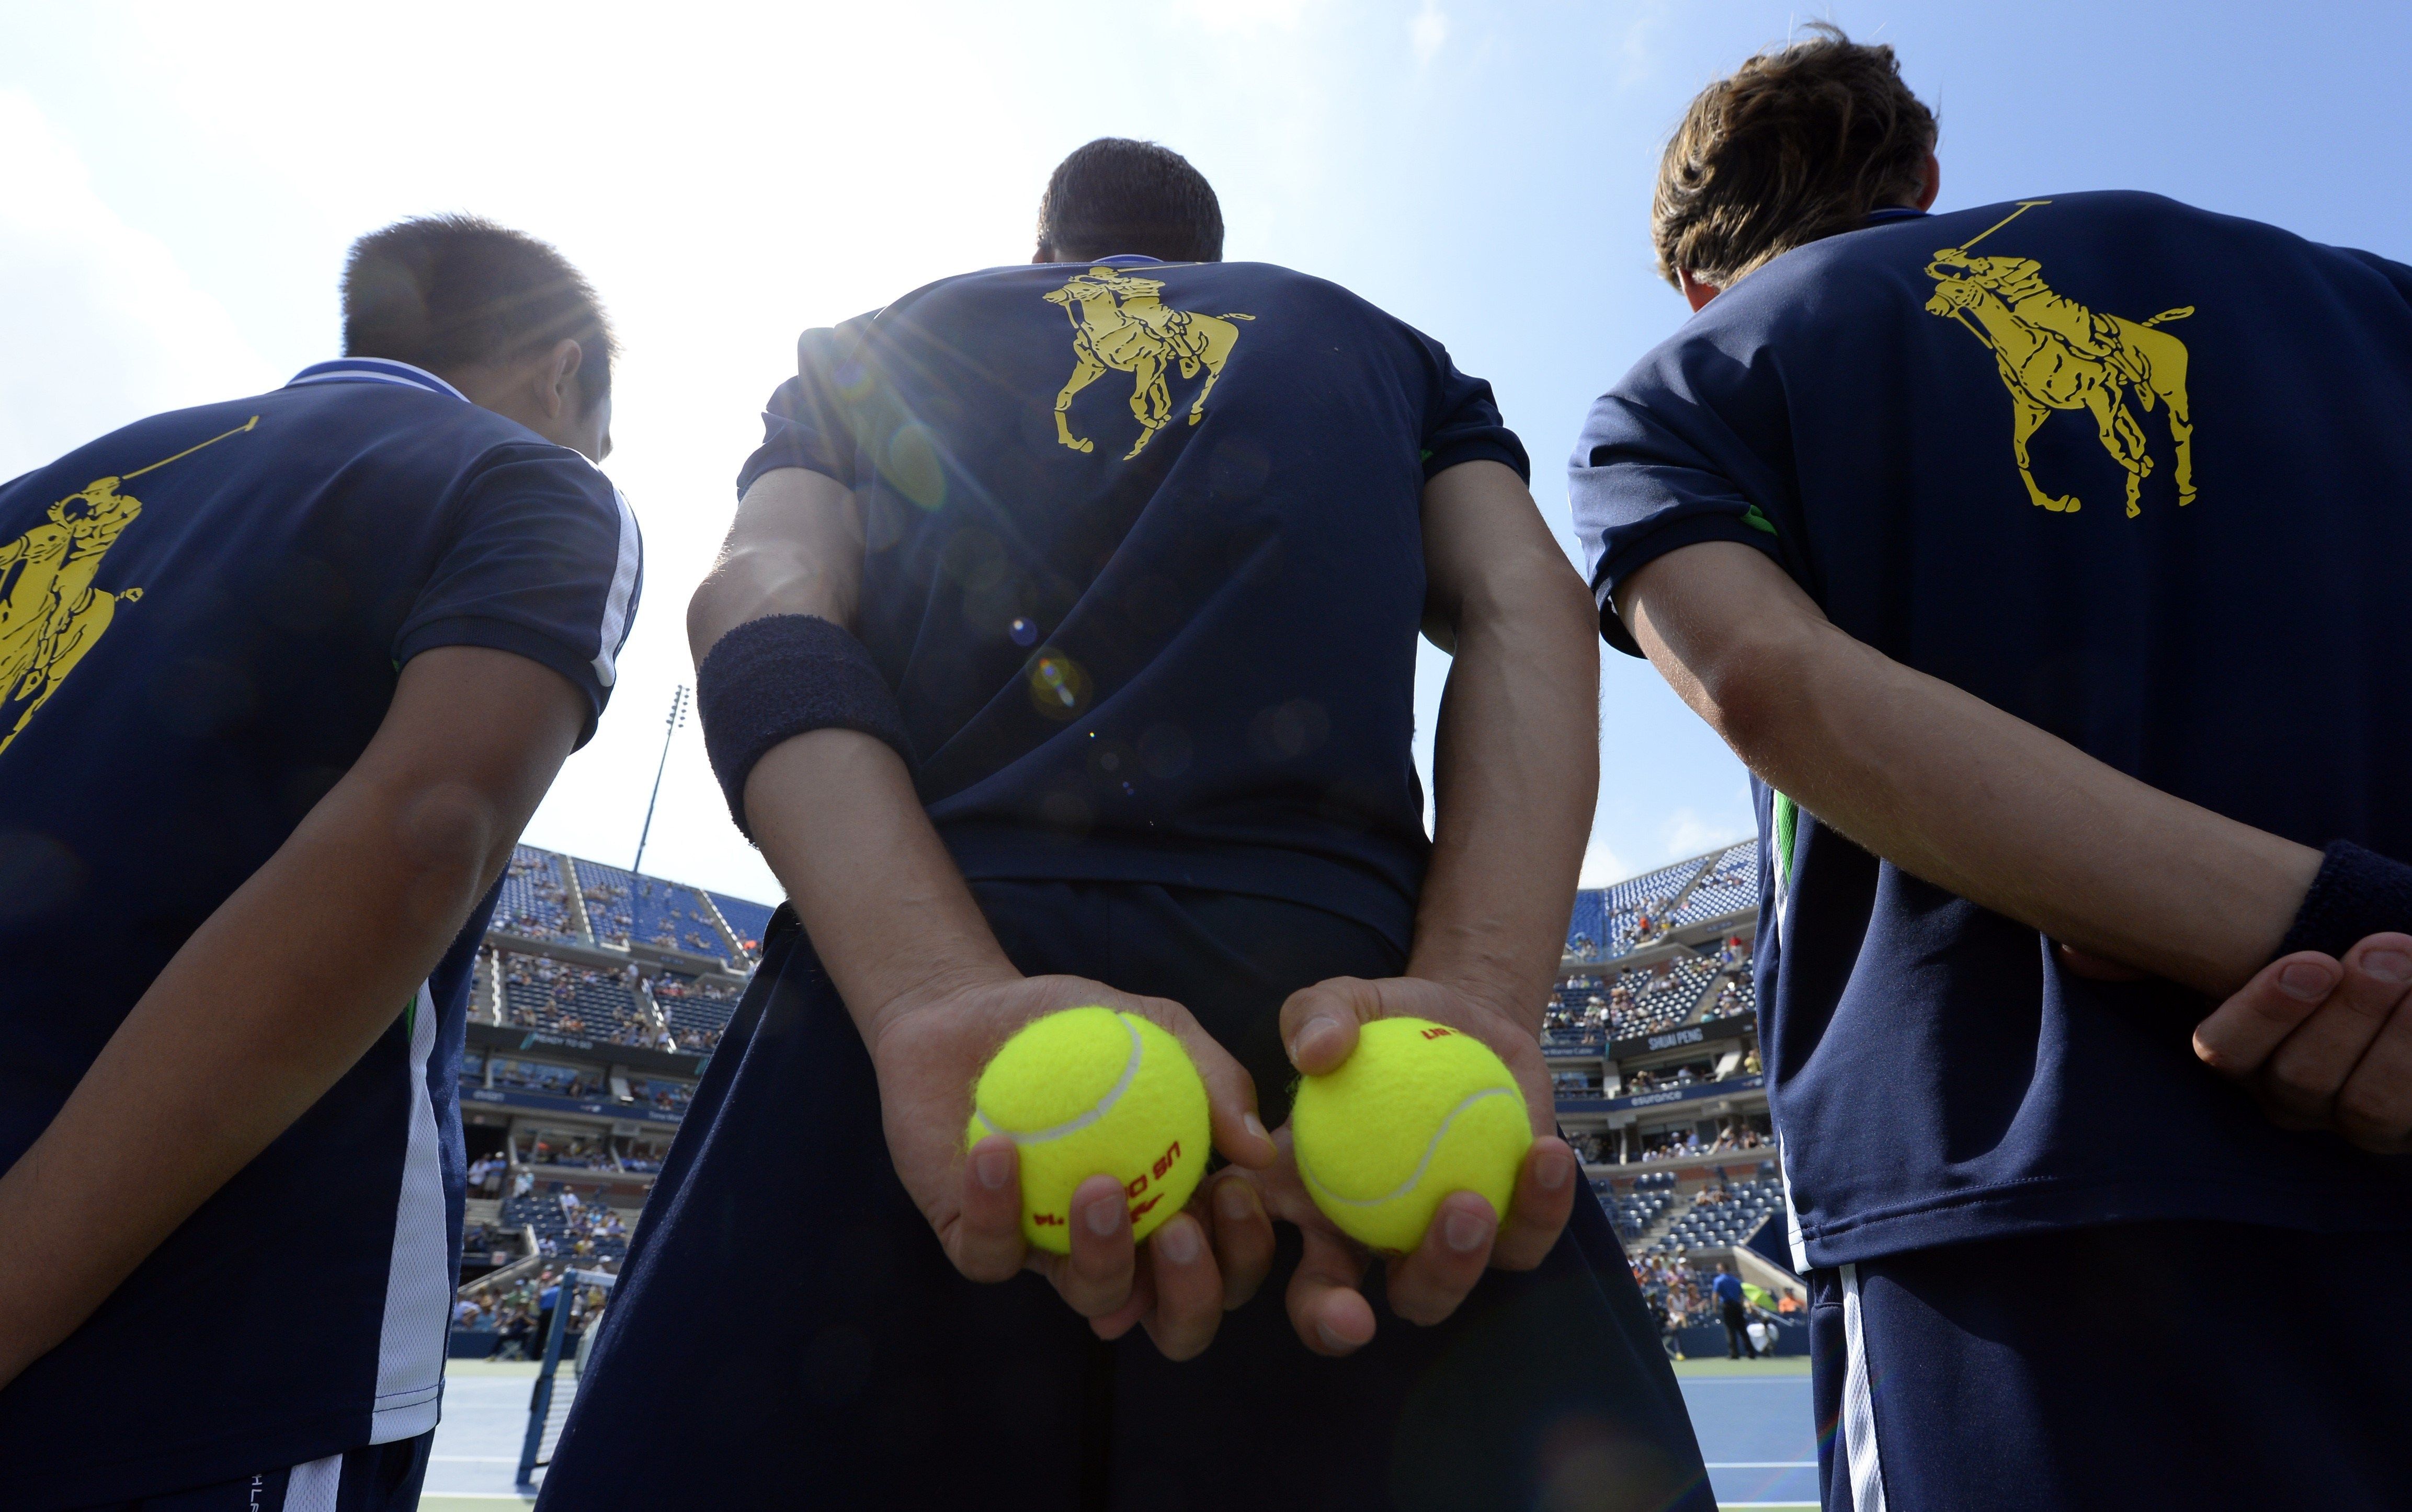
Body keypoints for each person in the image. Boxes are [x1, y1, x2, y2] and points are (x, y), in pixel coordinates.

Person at [543, 138, 1709, 1509]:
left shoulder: (871, 344)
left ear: (1044, 251)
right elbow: (1528, 606)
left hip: (893, 1009)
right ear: (1207, 261)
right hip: (1327, 1026)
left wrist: (927, 988)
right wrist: (1475, 991)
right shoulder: (1376, 343)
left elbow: (755, 593)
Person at [1572, 26, 2412, 1511]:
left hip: (2005, 1212)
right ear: (1923, 179)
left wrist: (2321, 932)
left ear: (1698, 276)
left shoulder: (1697, 374)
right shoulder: (2366, 297)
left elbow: (1762, 679)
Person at [0, 215, 641, 1509]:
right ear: (557, 370)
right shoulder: (527, 483)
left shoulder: (53, 490)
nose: (586, 453)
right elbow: (420, 845)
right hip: (199, 1350)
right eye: (592, 425)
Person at [1711, 1263, 1755, 1360]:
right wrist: (1742, 1306)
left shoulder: (1719, 1280)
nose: (1718, 1271)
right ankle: (1751, 1352)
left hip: (1728, 1306)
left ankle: (1734, 1354)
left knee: (1730, 1330)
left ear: (1723, 1269)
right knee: (1743, 1330)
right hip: (1738, 1306)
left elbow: (1716, 1294)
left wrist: (1715, 1307)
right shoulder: (1736, 1280)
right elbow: (1741, 1295)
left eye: (1719, 1269)